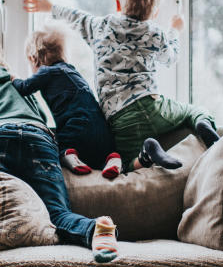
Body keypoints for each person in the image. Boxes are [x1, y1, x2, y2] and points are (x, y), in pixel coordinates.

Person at [0, 37, 118, 267]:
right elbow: (40, 114)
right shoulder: (11, 79)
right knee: (55, 212)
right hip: (38, 136)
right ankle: (96, 229)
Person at [23, 0, 220, 170]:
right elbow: (171, 57)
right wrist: (175, 30)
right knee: (194, 111)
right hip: (152, 105)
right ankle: (202, 124)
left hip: (119, 117)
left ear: (118, 4)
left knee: (123, 165)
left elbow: (76, 18)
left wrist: (51, 7)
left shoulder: (101, 27)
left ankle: (147, 152)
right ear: (155, 12)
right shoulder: (155, 33)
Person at [13, 24, 180, 178]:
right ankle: (112, 159)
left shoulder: (47, 72)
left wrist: (12, 78)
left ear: (34, 58)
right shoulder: (73, 72)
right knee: (102, 155)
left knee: (57, 143)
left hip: (75, 128)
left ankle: (70, 156)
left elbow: (24, 87)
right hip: (101, 132)